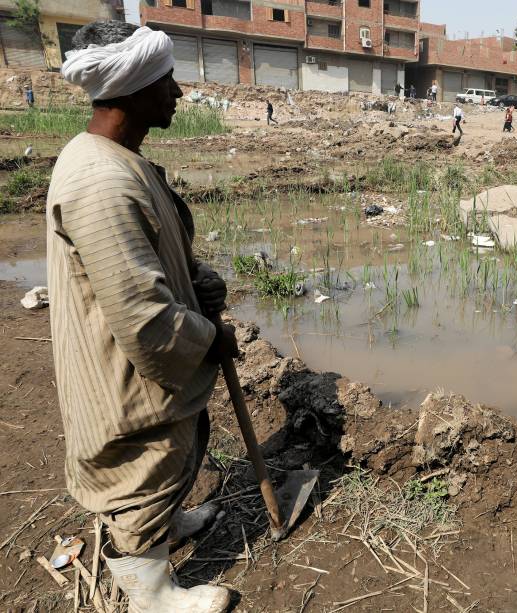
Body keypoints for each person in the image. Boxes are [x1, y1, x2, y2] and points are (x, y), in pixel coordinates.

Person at [51, 21, 236, 612]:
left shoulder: (118, 160)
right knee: (143, 460)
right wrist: (212, 339)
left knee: (169, 458)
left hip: (130, 355)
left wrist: (198, 279)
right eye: (166, 81)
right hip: (125, 370)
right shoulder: (102, 181)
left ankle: (165, 526)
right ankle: (151, 592)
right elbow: (145, 318)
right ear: (130, 90)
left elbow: (151, 256)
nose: (178, 93)